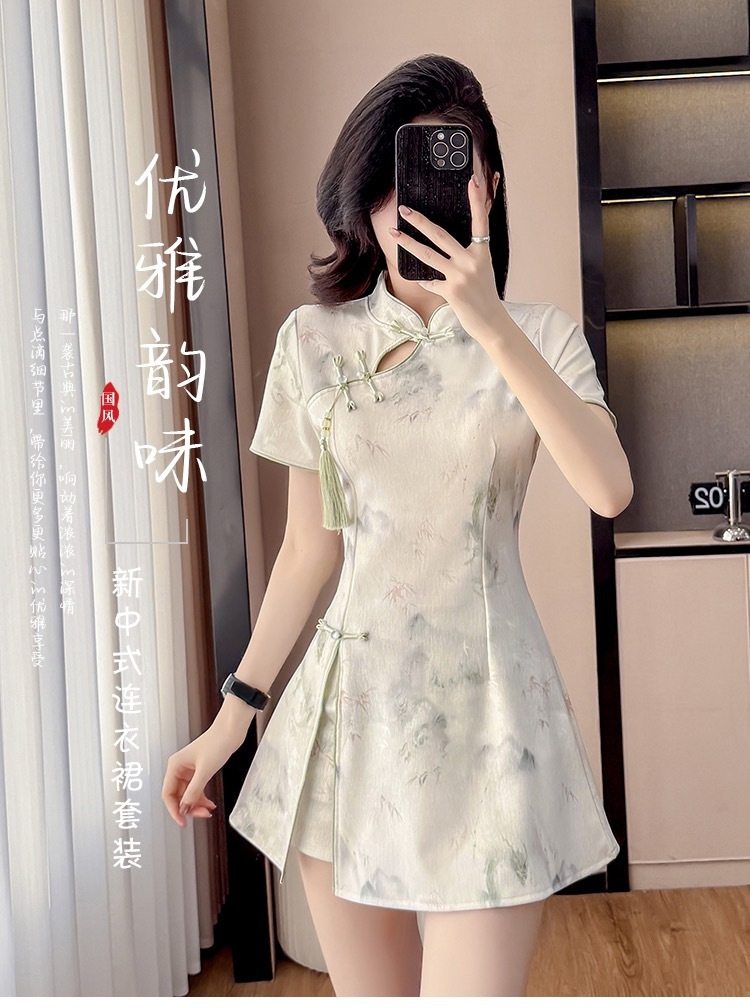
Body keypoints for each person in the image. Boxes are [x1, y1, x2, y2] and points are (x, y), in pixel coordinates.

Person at [161, 53, 633, 997]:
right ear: (361, 203)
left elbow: (610, 490)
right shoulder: (313, 343)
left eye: (440, 175)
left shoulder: (540, 336)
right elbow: (309, 553)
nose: (406, 209)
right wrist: (233, 716)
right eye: (387, 185)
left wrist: (487, 321)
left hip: (492, 725)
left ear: (488, 188)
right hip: (351, 723)